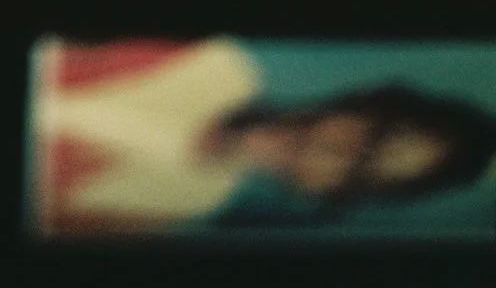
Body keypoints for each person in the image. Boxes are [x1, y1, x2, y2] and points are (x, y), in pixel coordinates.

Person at [34, 38, 496, 236]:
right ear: (364, 104)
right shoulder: (210, 63)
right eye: (376, 138)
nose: (338, 155)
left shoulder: (194, 203)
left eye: (362, 174)